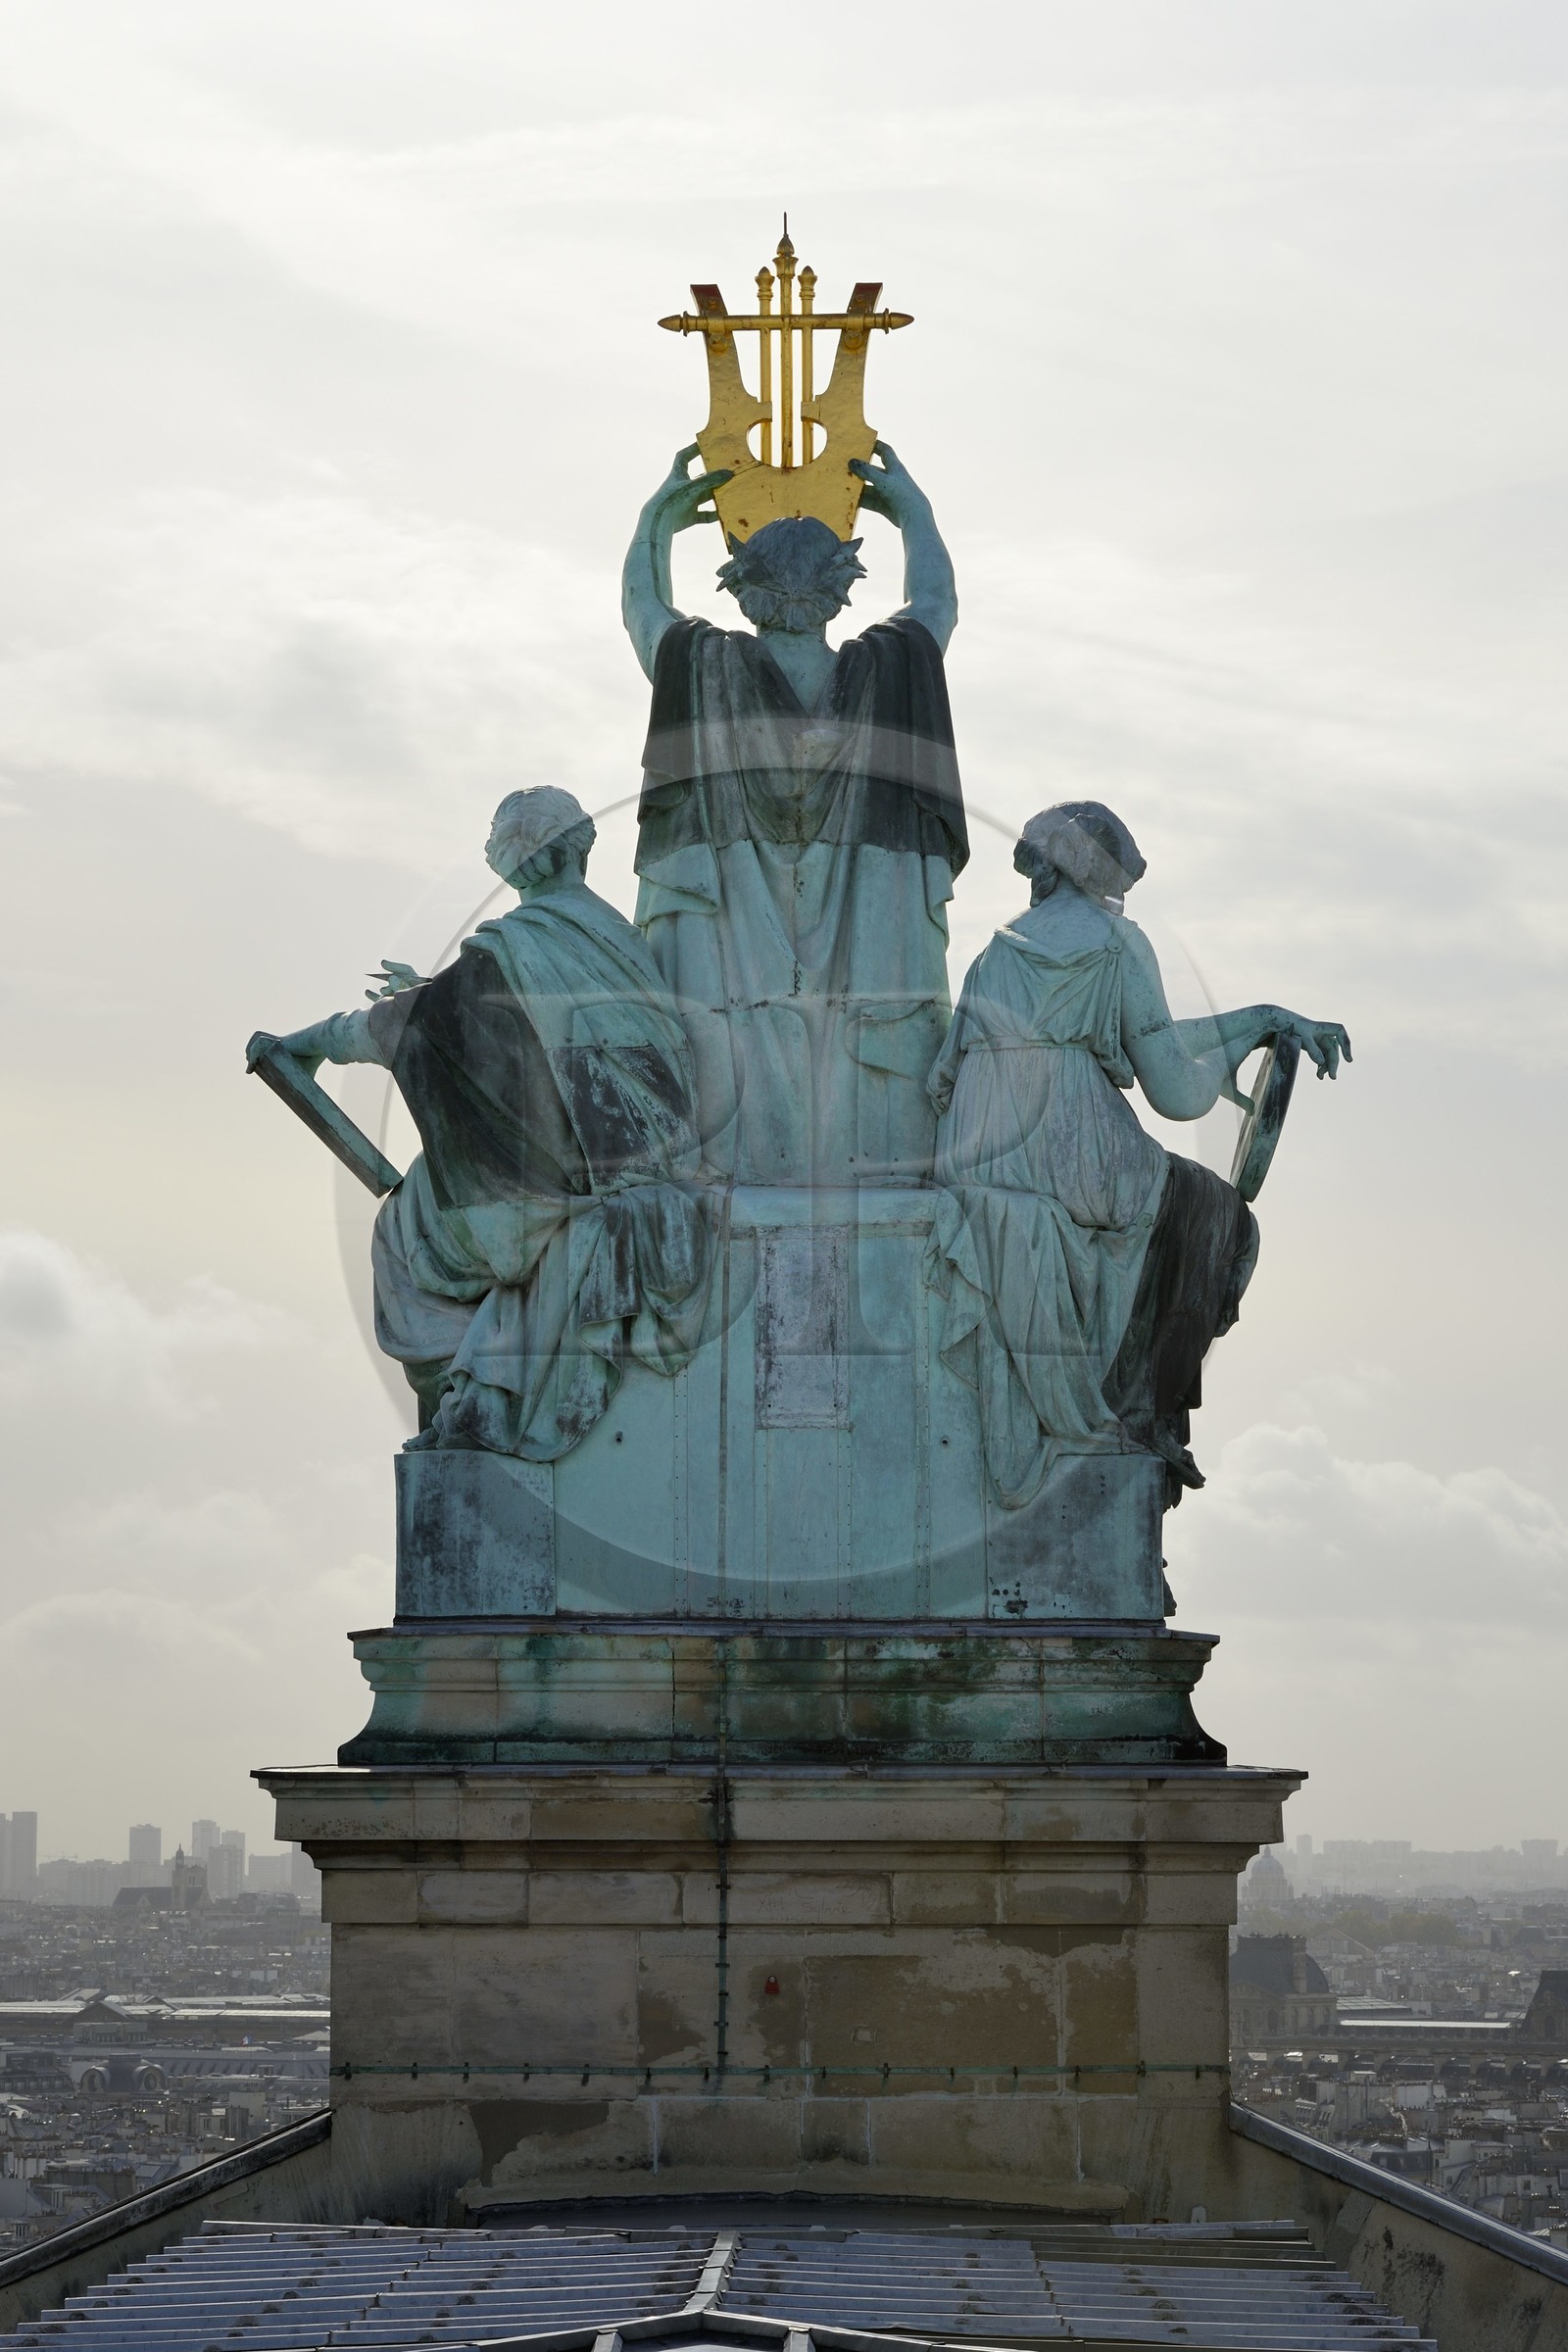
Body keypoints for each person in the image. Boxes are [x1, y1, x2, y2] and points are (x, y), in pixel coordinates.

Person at [926, 801, 1350, 1508]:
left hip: (975, 1151)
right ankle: (1144, 1408)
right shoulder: (1116, 941)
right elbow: (1177, 1092)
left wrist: (1260, 1022)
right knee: (1215, 1215)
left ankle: (1139, 1406)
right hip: (1060, 1146)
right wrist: (1241, 1045)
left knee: (1189, 1205)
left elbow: (1150, 1032)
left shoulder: (999, 949)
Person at [271, 788, 708, 1457]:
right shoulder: (610, 934)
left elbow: (410, 1026)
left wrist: (309, 1042)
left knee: (403, 1231)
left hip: (579, 1172)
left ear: (524, 858)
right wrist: (439, 995)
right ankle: (477, 1381)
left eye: (502, 846)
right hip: (634, 1154)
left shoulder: (521, 941)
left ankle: (468, 1386)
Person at [621, 440, 967, 1186]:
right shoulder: (892, 671)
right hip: (869, 931)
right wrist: (914, 513)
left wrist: (657, 521)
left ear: (741, 589)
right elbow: (937, 605)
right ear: (842, 587)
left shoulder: (702, 669)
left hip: (726, 929)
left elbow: (642, 612)